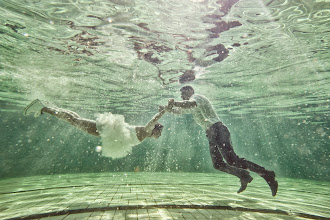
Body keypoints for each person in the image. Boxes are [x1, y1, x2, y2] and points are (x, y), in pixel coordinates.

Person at [162, 86, 278, 196]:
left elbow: (188, 104)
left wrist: (174, 102)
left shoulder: (197, 97)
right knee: (218, 164)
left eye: (183, 93)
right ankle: (243, 175)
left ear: (190, 91)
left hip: (218, 129)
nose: (182, 96)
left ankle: (267, 174)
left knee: (232, 160)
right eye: (181, 95)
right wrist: (166, 109)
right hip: (211, 134)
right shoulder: (192, 107)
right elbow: (179, 111)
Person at [24, 99, 169, 159]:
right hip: (110, 130)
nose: (159, 135)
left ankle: (48, 108)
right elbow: (154, 120)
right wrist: (165, 110)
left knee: (77, 119)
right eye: (159, 132)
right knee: (76, 121)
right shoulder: (146, 131)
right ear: (155, 130)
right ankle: (43, 107)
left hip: (110, 131)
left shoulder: (145, 133)